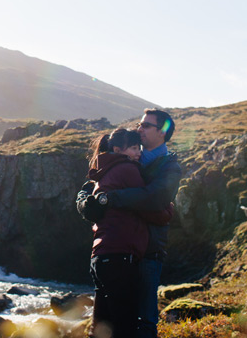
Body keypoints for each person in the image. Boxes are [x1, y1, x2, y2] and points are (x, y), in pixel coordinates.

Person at [102, 109, 182, 338]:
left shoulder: (170, 167)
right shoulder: (127, 157)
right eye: (139, 124)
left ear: (162, 132)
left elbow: (155, 198)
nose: (140, 129)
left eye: (146, 125)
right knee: (114, 320)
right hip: (120, 251)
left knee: (145, 320)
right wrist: (85, 201)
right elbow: (97, 182)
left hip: (149, 252)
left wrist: (113, 199)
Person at [85, 128, 150, 338]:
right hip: (120, 257)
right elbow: (149, 204)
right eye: (133, 148)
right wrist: (168, 210)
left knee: (102, 328)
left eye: (139, 148)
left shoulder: (103, 173)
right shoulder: (127, 169)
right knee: (125, 326)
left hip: (100, 257)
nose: (138, 153)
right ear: (117, 150)